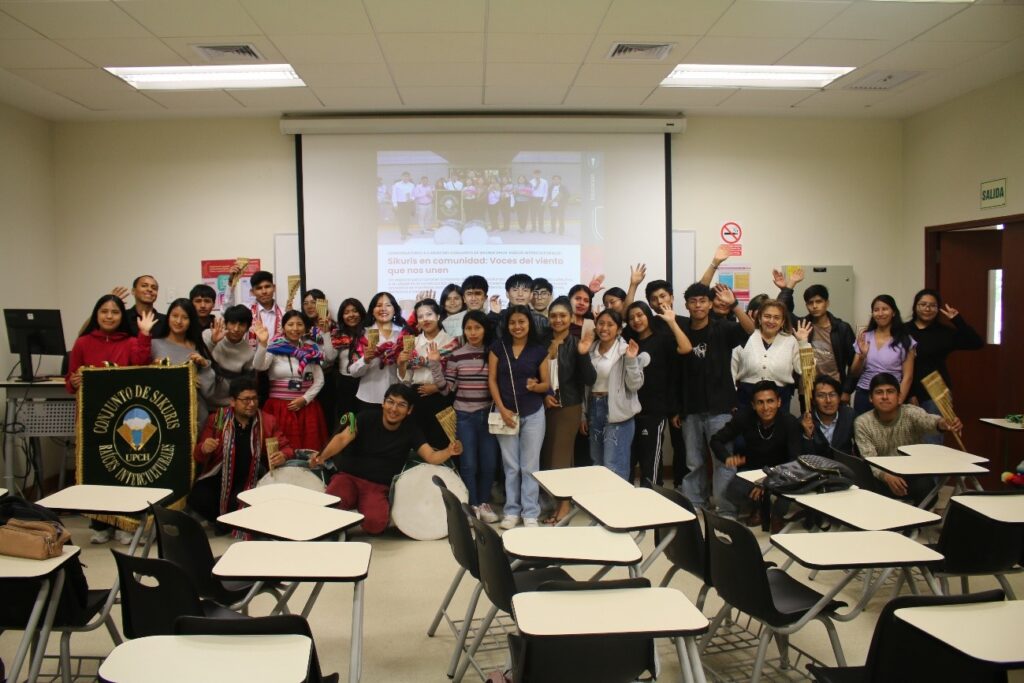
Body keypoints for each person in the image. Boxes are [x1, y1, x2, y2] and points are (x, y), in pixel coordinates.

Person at [309, 384, 462, 535]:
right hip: (349, 477)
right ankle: (349, 500)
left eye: (401, 405)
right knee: (331, 506)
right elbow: (342, 438)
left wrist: (449, 451)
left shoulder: (412, 430)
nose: (394, 409)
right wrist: (322, 456)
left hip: (377, 485)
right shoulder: (365, 417)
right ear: (383, 403)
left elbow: (431, 456)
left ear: (409, 410)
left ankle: (358, 503)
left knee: (375, 524)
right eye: (390, 402)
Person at [65, 294, 155, 545]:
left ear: (121, 316)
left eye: (115, 312)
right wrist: (74, 381)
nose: (109, 316)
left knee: (123, 471)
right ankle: (100, 524)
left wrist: (144, 334)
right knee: (97, 471)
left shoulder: (130, 342)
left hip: (123, 418)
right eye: (104, 311)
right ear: (96, 314)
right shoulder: (82, 343)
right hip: (91, 419)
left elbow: (141, 363)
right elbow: (70, 382)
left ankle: (125, 524)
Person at [673, 282, 755, 511]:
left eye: (702, 301)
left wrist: (735, 305)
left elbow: (751, 330)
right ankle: (696, 504)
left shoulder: (723, 328)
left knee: (723, 460)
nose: (698, 305)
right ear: (686, 305)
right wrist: (677, 408)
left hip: (720, 407)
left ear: (710, 304)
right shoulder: (681, 329)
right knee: (693, 461)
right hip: (690, 407)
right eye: (693, 301)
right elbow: (676, 374)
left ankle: (725, 508)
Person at [189, 377, 293, 529]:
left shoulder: (267, 421)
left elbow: (287, 448)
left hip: (251, 478)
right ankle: (223, 521)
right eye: (245, 400)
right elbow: (198, 455)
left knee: (243, 503)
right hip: (220, 476)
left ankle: (228, 522)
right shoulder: (218, 419)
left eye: (254, 399)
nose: (251, 404)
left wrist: (283, 455)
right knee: (198, 497)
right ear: (232, 401)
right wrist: (204, 448)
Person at [854, 373, 962, 505]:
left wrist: (942, 423)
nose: (885, 397)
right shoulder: (862, 422)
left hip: (911, 474)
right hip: (881, 476)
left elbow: (928, 421)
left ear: (899, 396)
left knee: (927, 489)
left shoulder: (910, 412)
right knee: (862, 485)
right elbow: (869, 458)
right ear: (871, 398)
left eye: (890, 391)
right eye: (879, 392)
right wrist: (886, 476)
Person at [488, 305, 551, 529]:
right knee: (511, 466)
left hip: (533, 413)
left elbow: (546, 384)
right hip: (505, 414)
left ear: (529, 324)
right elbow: (492, 380)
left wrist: (536, 387)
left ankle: (530, 513)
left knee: (530, 465)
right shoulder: (498, 348)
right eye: (513, 322)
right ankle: (511, 511)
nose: (517, 326)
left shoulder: (539, 350)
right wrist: (502, 409)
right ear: (507, 325)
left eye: (522, 322)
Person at [538, 297, 596, 522]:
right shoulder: (541, 343)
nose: (558, 320)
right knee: (547, 457)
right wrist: (544, 395)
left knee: (559, 459)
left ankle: (563, 508)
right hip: (544, 406)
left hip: (568, 407)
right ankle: (558, 502)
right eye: (553, 316)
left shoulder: (576, 343)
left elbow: (589, 378)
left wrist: (583, 354)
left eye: (563, 315)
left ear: (571, 318)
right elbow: (535, 375)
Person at [710, 381, 802, 522]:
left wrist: (768, 482)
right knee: (734, 490)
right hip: (753, 470)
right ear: (753, 405)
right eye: (760, 402)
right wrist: (726, 457)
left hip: (781, 471)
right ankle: (759, 507)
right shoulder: (744, 417)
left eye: (770, 401)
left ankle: (775, 515)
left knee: (789, 491)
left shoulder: (789, 422)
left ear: (779, 402)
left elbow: (794, 460)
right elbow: (716, 440)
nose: (766, 408)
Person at [624, 301, 691, 487]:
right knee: (628, 460)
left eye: (640, 315)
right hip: (629, 410)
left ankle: (652, 497)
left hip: (654, 410)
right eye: (631, 318)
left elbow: (686, 348)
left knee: (650, 460)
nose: (636, 320)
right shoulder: (628, 342)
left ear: (648, 315)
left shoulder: (663, 339)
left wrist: (672, 322)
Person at [444, 310, 500, 522]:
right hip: (464, 416)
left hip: (488, 416)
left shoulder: (493, 353)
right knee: (468, 464)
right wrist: (434, 364)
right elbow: (447, 389)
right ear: (463, 330)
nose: (473, 332)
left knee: (489, 463)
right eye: (468, 328)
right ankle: (472, 504)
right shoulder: (456, 355)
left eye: (477, 327)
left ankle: (484, 503)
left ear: (485, 329)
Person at [907, 288, 983, 444]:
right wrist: (910, 394)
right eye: (923, 304)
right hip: (907, 390)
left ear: (937, 309)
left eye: (932, 305)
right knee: (907, 440)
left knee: (932, 440)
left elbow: (976, 343)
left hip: (936, 392)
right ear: (915, 306)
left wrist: (957, 320)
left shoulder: (944, 332)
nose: (927, 308)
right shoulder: (903, 330)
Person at [581, 310, 645, 481]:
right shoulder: (590, 349)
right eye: (601, 323)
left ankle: (618, 498)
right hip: (594, 408)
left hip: (617, 411)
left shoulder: (625, 351)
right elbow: (584, 386)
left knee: (614, 465)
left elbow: (635, 385)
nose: (604, 328)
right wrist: (583, 415)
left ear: (619, 329)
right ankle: (600, 498)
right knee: (597, 463)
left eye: (610, 324)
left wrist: (631, 360)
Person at [253, 310, 327, 450]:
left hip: (305, 407)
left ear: (305, 328)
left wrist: (305, 399)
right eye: (290, 324)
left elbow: (319, 380)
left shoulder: (311, 351)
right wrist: (262, 344)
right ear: (283, 327)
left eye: (299, 324)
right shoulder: (274, 348)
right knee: (280, 449)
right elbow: (259, 366)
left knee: (308, 450)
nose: (295, 328)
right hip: (279, 408)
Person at [731, 300, 812, 415]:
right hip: (746, 398)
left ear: (782, 321)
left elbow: (807, 372)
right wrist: (732, 399)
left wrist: (803, 343)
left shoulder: (790, 341)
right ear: (760, 318)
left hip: (780, 398)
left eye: (776, 317)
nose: (771, 321)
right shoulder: (747, 337)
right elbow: (732, 370)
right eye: (767, 316)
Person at [398, 298, 460, 448]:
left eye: (429, 314)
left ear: (438, 316)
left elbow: (458, 375)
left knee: (442, 441)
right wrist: (401, 364)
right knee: (419, 442)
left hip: (442, 397)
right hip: (417, 396)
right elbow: (406, 379)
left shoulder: (451, 342)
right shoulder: (413, 343)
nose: (425, 319)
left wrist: (437, 387)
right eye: (420, 316)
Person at [150, 298, 216, 430]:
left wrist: (204, 365)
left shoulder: (197, 347)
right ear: (168, 317)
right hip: (165, 416)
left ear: (191, 321)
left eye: (185, 317)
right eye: (175, 316)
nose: (179, 321)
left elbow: (208, 392)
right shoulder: (154, 345)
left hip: (196, 417)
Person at [850, 294, 916, 415]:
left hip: (890, 395)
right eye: (876, 310)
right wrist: (861, 357)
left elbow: (908, 377)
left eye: (885, 309)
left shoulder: (905, 340)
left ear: (893, 312)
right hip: (865, 394)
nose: (880, 313)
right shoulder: (865, 337)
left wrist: (899, 400)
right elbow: (854, 373)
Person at [798, 284, 857, 404]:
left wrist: (847, 390)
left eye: (819, 301)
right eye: (810, 303)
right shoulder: (802, 325)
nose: (814, 306)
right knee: (808, 417)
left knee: (839, 417)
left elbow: (853, 362)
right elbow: (784, 310)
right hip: (808, 389)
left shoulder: (842, 328)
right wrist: (789, 286)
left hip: (835, 388)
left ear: (827, 303)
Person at [348, 292, 409, 407]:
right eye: (378, 305)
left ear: (394, 310)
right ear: (372, 310)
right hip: (369, 396)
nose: (383, 309)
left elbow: (410, 371)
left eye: (388, 305)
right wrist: (365, 360)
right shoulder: (362, 334)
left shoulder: (404, 334)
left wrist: (402, 363)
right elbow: (353, 372)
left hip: (396, 398)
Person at [203, 305, 269, 408]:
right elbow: (198, 361)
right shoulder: (209, 335)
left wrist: (263, 343)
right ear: (226, 323)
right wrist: (212, 342)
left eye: (242, 324)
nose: (236, 329)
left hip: (229, 405)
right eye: (232, 323)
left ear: (247, 328)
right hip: (203, 400)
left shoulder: (248, 352)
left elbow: (247, 384)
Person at [299, 289, 339, 429]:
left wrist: (326, 333)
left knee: (326, 418)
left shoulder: (334, 328)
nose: (309, 306)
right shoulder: (301, 327)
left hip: (327, 377)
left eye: (313, 302)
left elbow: (330, 357)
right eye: (305, 303)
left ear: (323, 304)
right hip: (305, 378)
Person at [800, 375, 855, 456]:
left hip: (844, 463)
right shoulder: (804, 422)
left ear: (839, 398)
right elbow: (804, 457)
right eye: (821, 395)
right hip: (816, 463)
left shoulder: (850, 415)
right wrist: (807, 436)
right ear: (813, 400)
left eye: (832, 395)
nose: (828, 400)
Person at [332, 297, 366, 419]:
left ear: (361, 313)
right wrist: (325, 333)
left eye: (355, 311)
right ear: (342, 317)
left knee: (363, 417)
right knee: (346, 418)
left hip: (365, 380)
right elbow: (330, 358)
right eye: (346, 312)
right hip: (345, 382)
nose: (351, 315)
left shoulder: (368, 332)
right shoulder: (338, 335)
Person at [392, 171, 416, 238]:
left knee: (407, 219)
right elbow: (394, 195)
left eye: (407, 176)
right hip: (400, 204)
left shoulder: (412, 185)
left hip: (408, 203)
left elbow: (414, 194)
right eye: (404, 176)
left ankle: (406, 231)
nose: (406, 178)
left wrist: (412, 198)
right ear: (401, 177)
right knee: (401, 219)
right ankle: (403, 234)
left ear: (409, 177)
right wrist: (395, 204)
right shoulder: (397, 185)